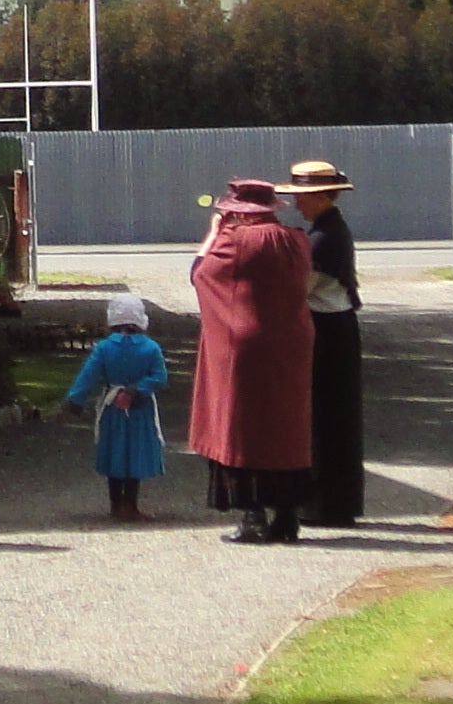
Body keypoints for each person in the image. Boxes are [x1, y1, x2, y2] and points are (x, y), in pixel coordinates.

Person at [189, 178, 314, 543]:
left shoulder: (234, 241)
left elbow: (200, 276)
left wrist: (211, 237)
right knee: (286, 427)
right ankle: (287, 516)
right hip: (292, 343)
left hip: (245, 349)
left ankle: (253, 516)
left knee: (243, 428)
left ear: (238, 211)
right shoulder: (297, 240)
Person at [287, 161, 365, 527]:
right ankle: (331, 501)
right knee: (329, 417)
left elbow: (301, 290)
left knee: (328, 418)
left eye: (303, 196)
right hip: (333, 328)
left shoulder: (326, 237)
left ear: (320, 196)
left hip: (330, 331)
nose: (297, 203)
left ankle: (329, 503)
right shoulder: (324, 230)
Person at [61, 294, 167, 518]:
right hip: (140, 409)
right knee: (134, 453)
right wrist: (137, 390)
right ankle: (131, 504)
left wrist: (75, 400)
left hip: (112, 407)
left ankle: (116, 504)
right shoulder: (151, 348)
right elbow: (160, 377)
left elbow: (88, 375)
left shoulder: (104, 348)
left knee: (114, 453)